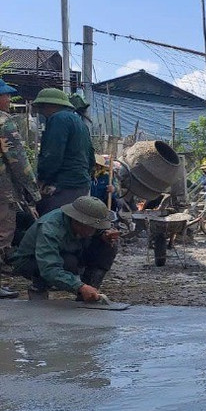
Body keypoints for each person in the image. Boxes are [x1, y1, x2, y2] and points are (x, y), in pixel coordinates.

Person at [10, 196, 120, 302]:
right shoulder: (50, 229)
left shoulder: (85, 228)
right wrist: (78, 286)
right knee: (68, 262)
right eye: (93, 227)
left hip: (71, 251)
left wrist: (104, 235)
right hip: (32, 261)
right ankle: (39, 286)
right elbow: (49, 268)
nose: (95, 230)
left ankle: (89, 292)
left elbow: (98, 233)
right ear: (78, 222)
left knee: (108, 246)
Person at [0, 79, 41, 299]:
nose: (8, 99)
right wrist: (33, 191)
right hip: (2, 190)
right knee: (2, 234)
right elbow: (18, 161)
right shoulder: (4, 122)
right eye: (5, 95)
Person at [32, 88, 95, 216]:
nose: (42, 112)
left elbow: (52, 155)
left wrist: (42, 179)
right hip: (80, 185)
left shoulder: (58, 119)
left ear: (50, 105)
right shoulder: (80, 123)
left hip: (63, 185)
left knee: (51, 224)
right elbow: (91, 157)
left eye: (42, 108)